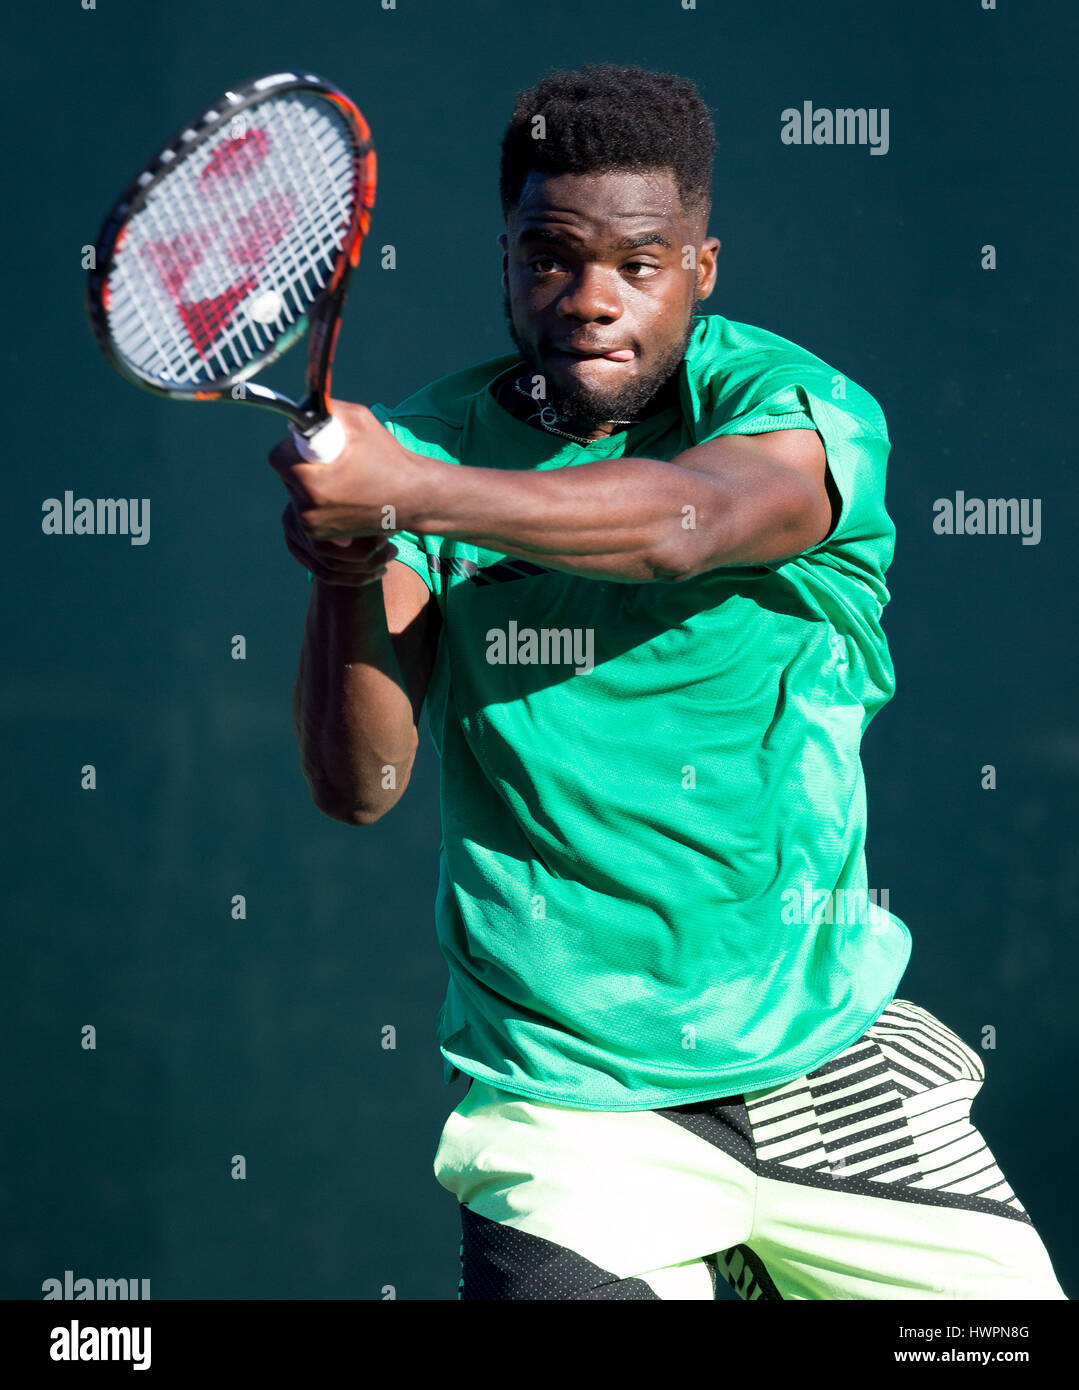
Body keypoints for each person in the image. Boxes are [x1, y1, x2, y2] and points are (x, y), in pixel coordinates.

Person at [268, 64, 1066, 1301]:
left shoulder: (792, 409)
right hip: (571, 1103)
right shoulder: (428, 446)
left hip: (832, 1071)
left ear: (700, 267)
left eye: (637, 264)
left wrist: (410, 493)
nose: (588, 300)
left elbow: (688, 523)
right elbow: (360, 784)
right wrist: (346, 565)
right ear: (505, 261)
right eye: (548, 256)